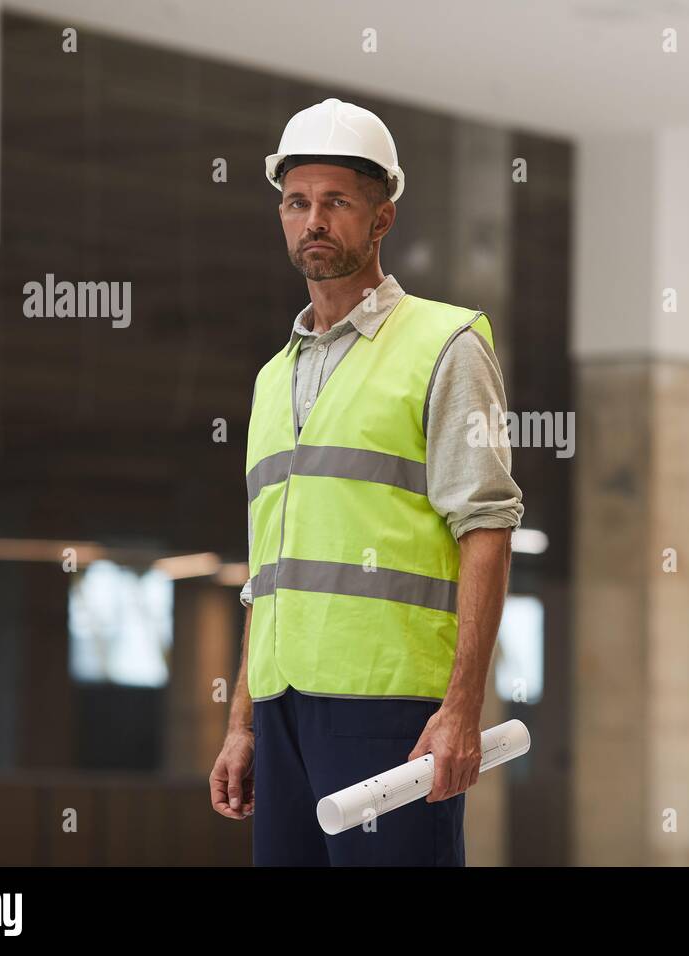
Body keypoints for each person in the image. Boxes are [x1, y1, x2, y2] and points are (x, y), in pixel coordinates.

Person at [207, 98, 523, 866]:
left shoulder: (444, 345)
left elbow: (486, 526)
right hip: (283, 712)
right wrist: (243, 721)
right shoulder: (270, 380)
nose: (313, 220)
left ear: (382, 218)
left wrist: (460, 708)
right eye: (296, 203)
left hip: (392, 710)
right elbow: (268, 573)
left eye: (336, 202)